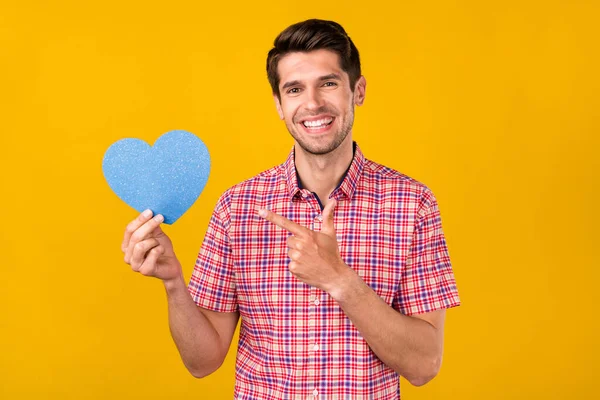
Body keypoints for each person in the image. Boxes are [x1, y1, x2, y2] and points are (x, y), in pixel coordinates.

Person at [122, 19, 460, 399]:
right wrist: (173, 284)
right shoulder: (238, 207)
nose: (312, 103)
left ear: (358, 90)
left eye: (328, 83)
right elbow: (202, 362)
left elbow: (424, 365)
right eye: (295, 89)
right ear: (280, 106)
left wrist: (339, 280)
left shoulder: (411, 203)